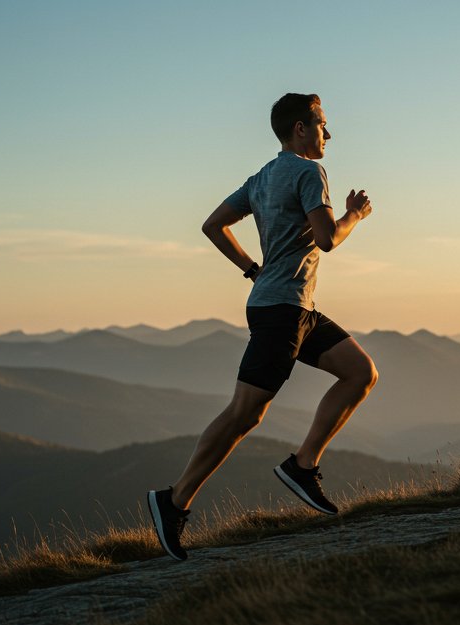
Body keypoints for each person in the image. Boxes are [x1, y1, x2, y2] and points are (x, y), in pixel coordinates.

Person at [147, 93, 377, 561]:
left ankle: (302, 464)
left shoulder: (263, 177)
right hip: (282, 311)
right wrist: (355, 214)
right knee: (244, 414)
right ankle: (173, 501)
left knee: (360, 372)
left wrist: (253, 269)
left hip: (291, 307)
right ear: (300, 127)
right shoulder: (309, 172)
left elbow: (214, 226)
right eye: (322, 125)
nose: (327, 135)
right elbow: (328, 239)